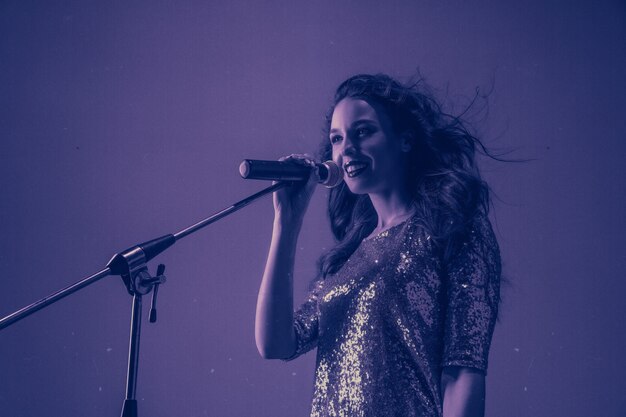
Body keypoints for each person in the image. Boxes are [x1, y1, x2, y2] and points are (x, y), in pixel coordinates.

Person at [255, 73, 501, 417]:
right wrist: (287, 221)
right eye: (337, 139)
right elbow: (276, 343)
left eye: (363, 132)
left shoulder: (451, 226)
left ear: (405, 140)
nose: (346, 150)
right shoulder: (349, 259)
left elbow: (463, 370)